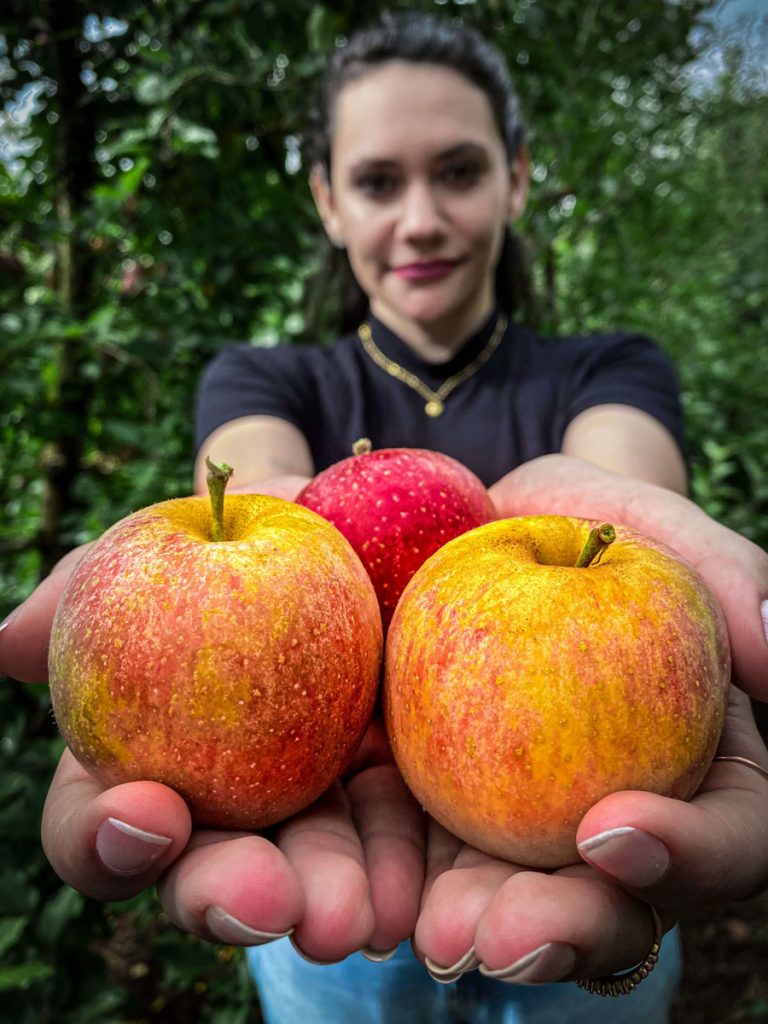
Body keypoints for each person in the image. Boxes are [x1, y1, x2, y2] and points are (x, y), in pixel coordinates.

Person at [2, 11, 768, 1024]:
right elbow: (261, 494)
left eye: (458, 172)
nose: (419, 219)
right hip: (332, 945)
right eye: (377, 181)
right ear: (326, 199)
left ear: (518, 178)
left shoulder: (607, 367)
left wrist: (624, 575)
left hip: (568, 878)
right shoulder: (267, 377)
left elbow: (618, 482)